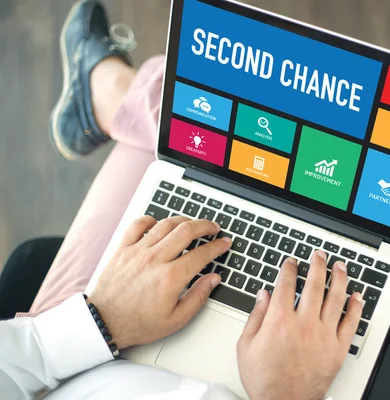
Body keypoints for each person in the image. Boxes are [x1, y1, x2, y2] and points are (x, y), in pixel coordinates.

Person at [0, 1, 364, 399]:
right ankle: (112, 93)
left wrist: (102, 318)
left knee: (183, 135)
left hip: (76, 359)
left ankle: (111, 95)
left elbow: (18, 364)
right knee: (185, 122)